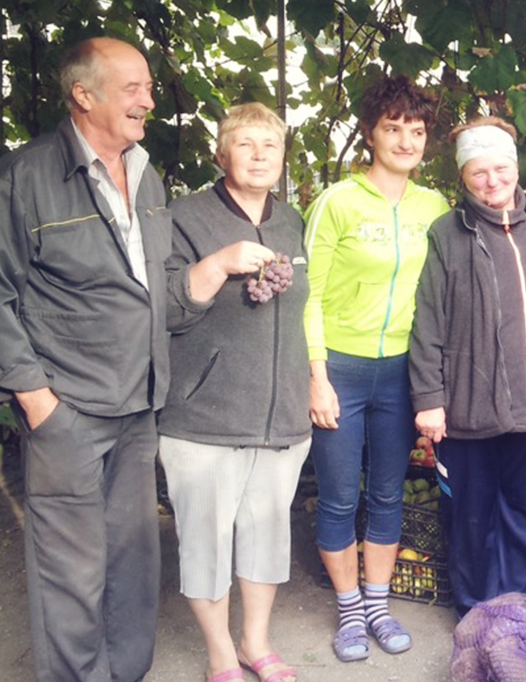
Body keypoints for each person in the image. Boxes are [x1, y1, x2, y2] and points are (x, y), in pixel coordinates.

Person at [0, 37, 169, 681]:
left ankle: (125, 673)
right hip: (68, 408)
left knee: (133, 560)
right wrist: (36, 401)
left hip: (139, 401)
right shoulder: (22, 178)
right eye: (133, 87)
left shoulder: (147, 174)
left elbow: (154, 284)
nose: (148, 100)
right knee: (71, 570)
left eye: (149, 87)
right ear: (83, 94)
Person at [409, 117, 526, 616]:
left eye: (500, 169)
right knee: (471, 515)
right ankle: (477, 612)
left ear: (516, 168)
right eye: (478, 172)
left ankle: (516, 607)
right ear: (463, 177)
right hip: (470, 406)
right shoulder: (448, 234)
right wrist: (429, 399)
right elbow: (428, 320)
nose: (492, 181)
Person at [161, 103, 311, 682]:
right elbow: (165, 310)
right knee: (205, 539)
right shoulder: (184, 217)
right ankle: (220, 652)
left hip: (280, 417)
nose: (259, 155)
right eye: (245, 144)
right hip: (204, 416)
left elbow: (307, 310)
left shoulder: (291, 220)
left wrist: (311, 383)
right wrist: (220, 263)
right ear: (222, 154)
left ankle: (255, 642)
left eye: (270, 145)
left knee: (268, 534)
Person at [303, 76, 449, 661]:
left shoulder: (433, 207)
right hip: (339, 366)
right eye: (393, 128)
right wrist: (316, 377)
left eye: (416, 130)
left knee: (388, 494)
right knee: (340, 497)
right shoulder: (336, 202)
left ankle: (379, 606)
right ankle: (348, 613)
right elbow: (308, 295)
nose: (406, 141)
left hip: (401, 371)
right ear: (370, 133)